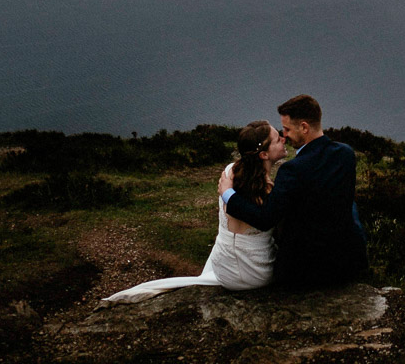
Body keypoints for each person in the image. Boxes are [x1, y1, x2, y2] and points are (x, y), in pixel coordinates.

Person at [102, 120, 287, 303]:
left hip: (223, 270)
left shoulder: (229, 173)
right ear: (263, 154)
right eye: (278, 138)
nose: (283, 138)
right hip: (256, 275)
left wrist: (228, 194)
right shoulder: (268, 191)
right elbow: (267, 221)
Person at [219, 94, 368, 287]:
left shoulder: (292, 170)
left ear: (304, 127)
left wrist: (228, 195)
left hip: (304, 273)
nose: (285, 135)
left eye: (287, 129)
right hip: (345, 265)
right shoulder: (346, 154)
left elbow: (265, 219)